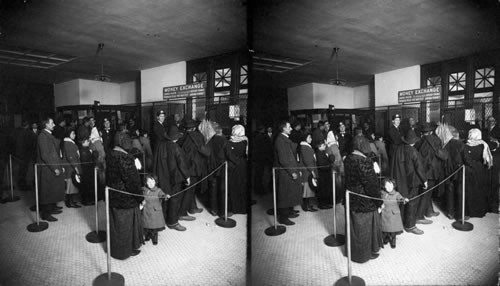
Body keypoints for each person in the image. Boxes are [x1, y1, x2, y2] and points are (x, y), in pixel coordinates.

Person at [344, 135, 383, 262]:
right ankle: (363, 255)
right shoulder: (364, 161)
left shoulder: (348, 158)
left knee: (354, 227)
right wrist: (379, 202)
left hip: (351, 198)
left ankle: (353, 252)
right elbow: (371, 185)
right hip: (364, 200)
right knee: (364, 228)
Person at [106, 134, 144, 259]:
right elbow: (133, 182)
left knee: (116, 225)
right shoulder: (126, 158)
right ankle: (124, 252)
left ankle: (115, 250)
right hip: (126, 198)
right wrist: (140, 197)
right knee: (125, 225)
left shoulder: (111, 154)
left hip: (112, 196)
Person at [153, 125, 191, 231]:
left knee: (164, 198)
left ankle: (163, 220)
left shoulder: (160, 145)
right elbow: (181, 164)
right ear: (176, 137)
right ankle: (173, 222)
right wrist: (187, 177)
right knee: (174, 199)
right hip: (174, 178)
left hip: (162, 176)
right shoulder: (175, 147)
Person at [390, 130, 427, 235]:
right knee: (412, 202)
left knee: (401, 202)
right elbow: (419, 168)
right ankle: (410, 226)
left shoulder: (398, 149)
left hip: (400, 181)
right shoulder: (413, 151)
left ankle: (400, 224)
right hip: (412, 182)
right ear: (413, 141)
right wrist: (424, 181)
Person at [37, 117, 66, 222]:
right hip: (47, 168)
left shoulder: (48, 135)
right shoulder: (42, 136)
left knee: (53, 188)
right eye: (52, 123)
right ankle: (46, 213)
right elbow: (45, 155)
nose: (54, 125)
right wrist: (54, 168)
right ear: (46, 125)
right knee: (47, 190)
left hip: (52, 166)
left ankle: (52, 207)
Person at [274, 120, 302, 226]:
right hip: (285, 172)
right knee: (285, 194)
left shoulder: (285, 139)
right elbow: (283, 160)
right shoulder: (280, 140)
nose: (291, 128)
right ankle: (283, 218)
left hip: (289, 170)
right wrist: (292, 172)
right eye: (289, 127)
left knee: (290, 193)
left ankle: (290, 211)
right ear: (283, 128)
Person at [178, 119, 206, 218]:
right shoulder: (198, 136)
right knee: (189, 190)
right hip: (194, 168)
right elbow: (204, 151)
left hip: (184, 167)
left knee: (190, 189)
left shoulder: (182, 137)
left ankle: (192, 207)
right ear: (194, 127)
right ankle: (182, 213)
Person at [416, 123, 442, 223]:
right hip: (433, 171)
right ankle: (419, 216)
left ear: (423, 133)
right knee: (426, 194)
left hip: (423, 171)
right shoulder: (437, 140)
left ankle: (429, 211)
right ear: (431, 131)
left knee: (427, 192)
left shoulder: (419, 141)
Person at [464, 128, 493, 218]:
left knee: (470, 190)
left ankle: (469, 212)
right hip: (480, 169)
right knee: (479, 189)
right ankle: (479, 211)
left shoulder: (465, 145)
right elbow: (487, 160)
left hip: (469, 170)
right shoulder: (484, 145)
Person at [380, 178, 408, 249]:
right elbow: (379, 200)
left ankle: (393, 240)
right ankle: (386, 238)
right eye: (387, 185)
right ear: (384, 186)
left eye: (391, 185)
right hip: (384, 213)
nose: (389, 187)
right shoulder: (382, 193)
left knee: (393, 230)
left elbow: (400, 198)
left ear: (394, 186)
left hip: (393, 214)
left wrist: (404, 199)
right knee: (384, 227)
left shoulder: (396, 194)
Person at [443, 125, 465, 219]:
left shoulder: (446, 145)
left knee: (449, 191)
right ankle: (460, 215)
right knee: (460, 192)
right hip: (459, 172)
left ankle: (450, 213)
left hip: (448, 172)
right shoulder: (461, 144)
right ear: (457, 135)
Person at [228, 124, 248, 214]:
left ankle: (234, 208)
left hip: (233, 166)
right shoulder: (245, 141)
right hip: (242, 165)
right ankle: (241, 208)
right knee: (241, 186)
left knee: (234, 186)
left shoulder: (229, 142)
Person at [141, 174, 167, 245]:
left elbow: (162, 195)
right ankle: (148, 235)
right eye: (148, 182)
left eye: (152, 182)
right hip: (146, 210)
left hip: (155, 212)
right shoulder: (144, 189)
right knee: (146, 225)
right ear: (146, 182)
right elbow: (140, 195)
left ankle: (155, 238)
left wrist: (165, 196)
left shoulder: (158, 190)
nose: (150, 184)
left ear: (155, 182)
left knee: (154, 227)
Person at [298, 132, 318, 212]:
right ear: (305, 138)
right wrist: (313, 171)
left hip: (307, 171)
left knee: (308, 189)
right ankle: (307, 206)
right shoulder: (305, 148)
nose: (311, 139)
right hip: (307, 172)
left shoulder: (304, 147)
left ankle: (307, 205)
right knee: (308, 189)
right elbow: (308, 161)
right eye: (309, 137)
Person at [62, 128, 82, 208]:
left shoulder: (69, 143)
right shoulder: (68, 144)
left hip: (71, 167)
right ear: (68, 134)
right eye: (73, 133)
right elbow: (71, 158)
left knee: (71, 185)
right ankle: (70, 202)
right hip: (71, 168)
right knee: (70, 185)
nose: (75, 135)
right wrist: (76, 168)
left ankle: (71, 201)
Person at [484, 116, 500, 212]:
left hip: (496, 156)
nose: (490, 122)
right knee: (487, 179)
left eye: (492, 121)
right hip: (487, 156)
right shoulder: (485, 130)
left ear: (495, 121)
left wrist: (497, 143)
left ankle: (494, 205)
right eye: (489, 121)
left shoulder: (498, 130)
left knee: (494, 180)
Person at [78, 137, 96, 206]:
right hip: (86, 171)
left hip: (88, 170)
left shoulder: (86, 149)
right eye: (87, 141)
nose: (88, 142)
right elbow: (87, 162)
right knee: (86, 186)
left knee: (88, 186)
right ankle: (86, 201)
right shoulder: (83, 151)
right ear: (83, 142)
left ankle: (88, 199)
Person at [315, 141, 333, 209]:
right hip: (323, 174)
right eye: (323, 145)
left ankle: (325, 203)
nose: (325, 146)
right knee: (323, 190)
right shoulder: (319, 154)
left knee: (325, 189)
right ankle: (322, 204)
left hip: (325, 173)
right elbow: (321, 164)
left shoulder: (321, 152)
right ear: (319, 146)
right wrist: (329, 165)